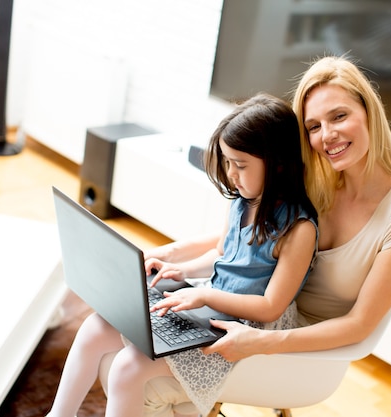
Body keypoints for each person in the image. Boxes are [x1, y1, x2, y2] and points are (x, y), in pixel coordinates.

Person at [137, 54, 391, 413]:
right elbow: (240, 241)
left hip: (306, 351)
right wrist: (169, 255)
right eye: (313, 126)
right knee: (138, 333)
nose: (328, 135)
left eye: (339, 116)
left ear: (369, 111)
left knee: (143, 380)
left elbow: (358, 325)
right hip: (253, 315)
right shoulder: (313, 180)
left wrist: (261, 341)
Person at [45, 93, 318, 417]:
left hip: (243, 331)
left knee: (128, 369)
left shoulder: (299, 230)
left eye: (240, 165)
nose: (231, 174)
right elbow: (222, 252)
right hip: (212, 306)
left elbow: (271, 307)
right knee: (95, 326)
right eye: (228, 163)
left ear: (278, 164)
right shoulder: (245, 200)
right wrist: (182, 269)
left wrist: (203, 295)